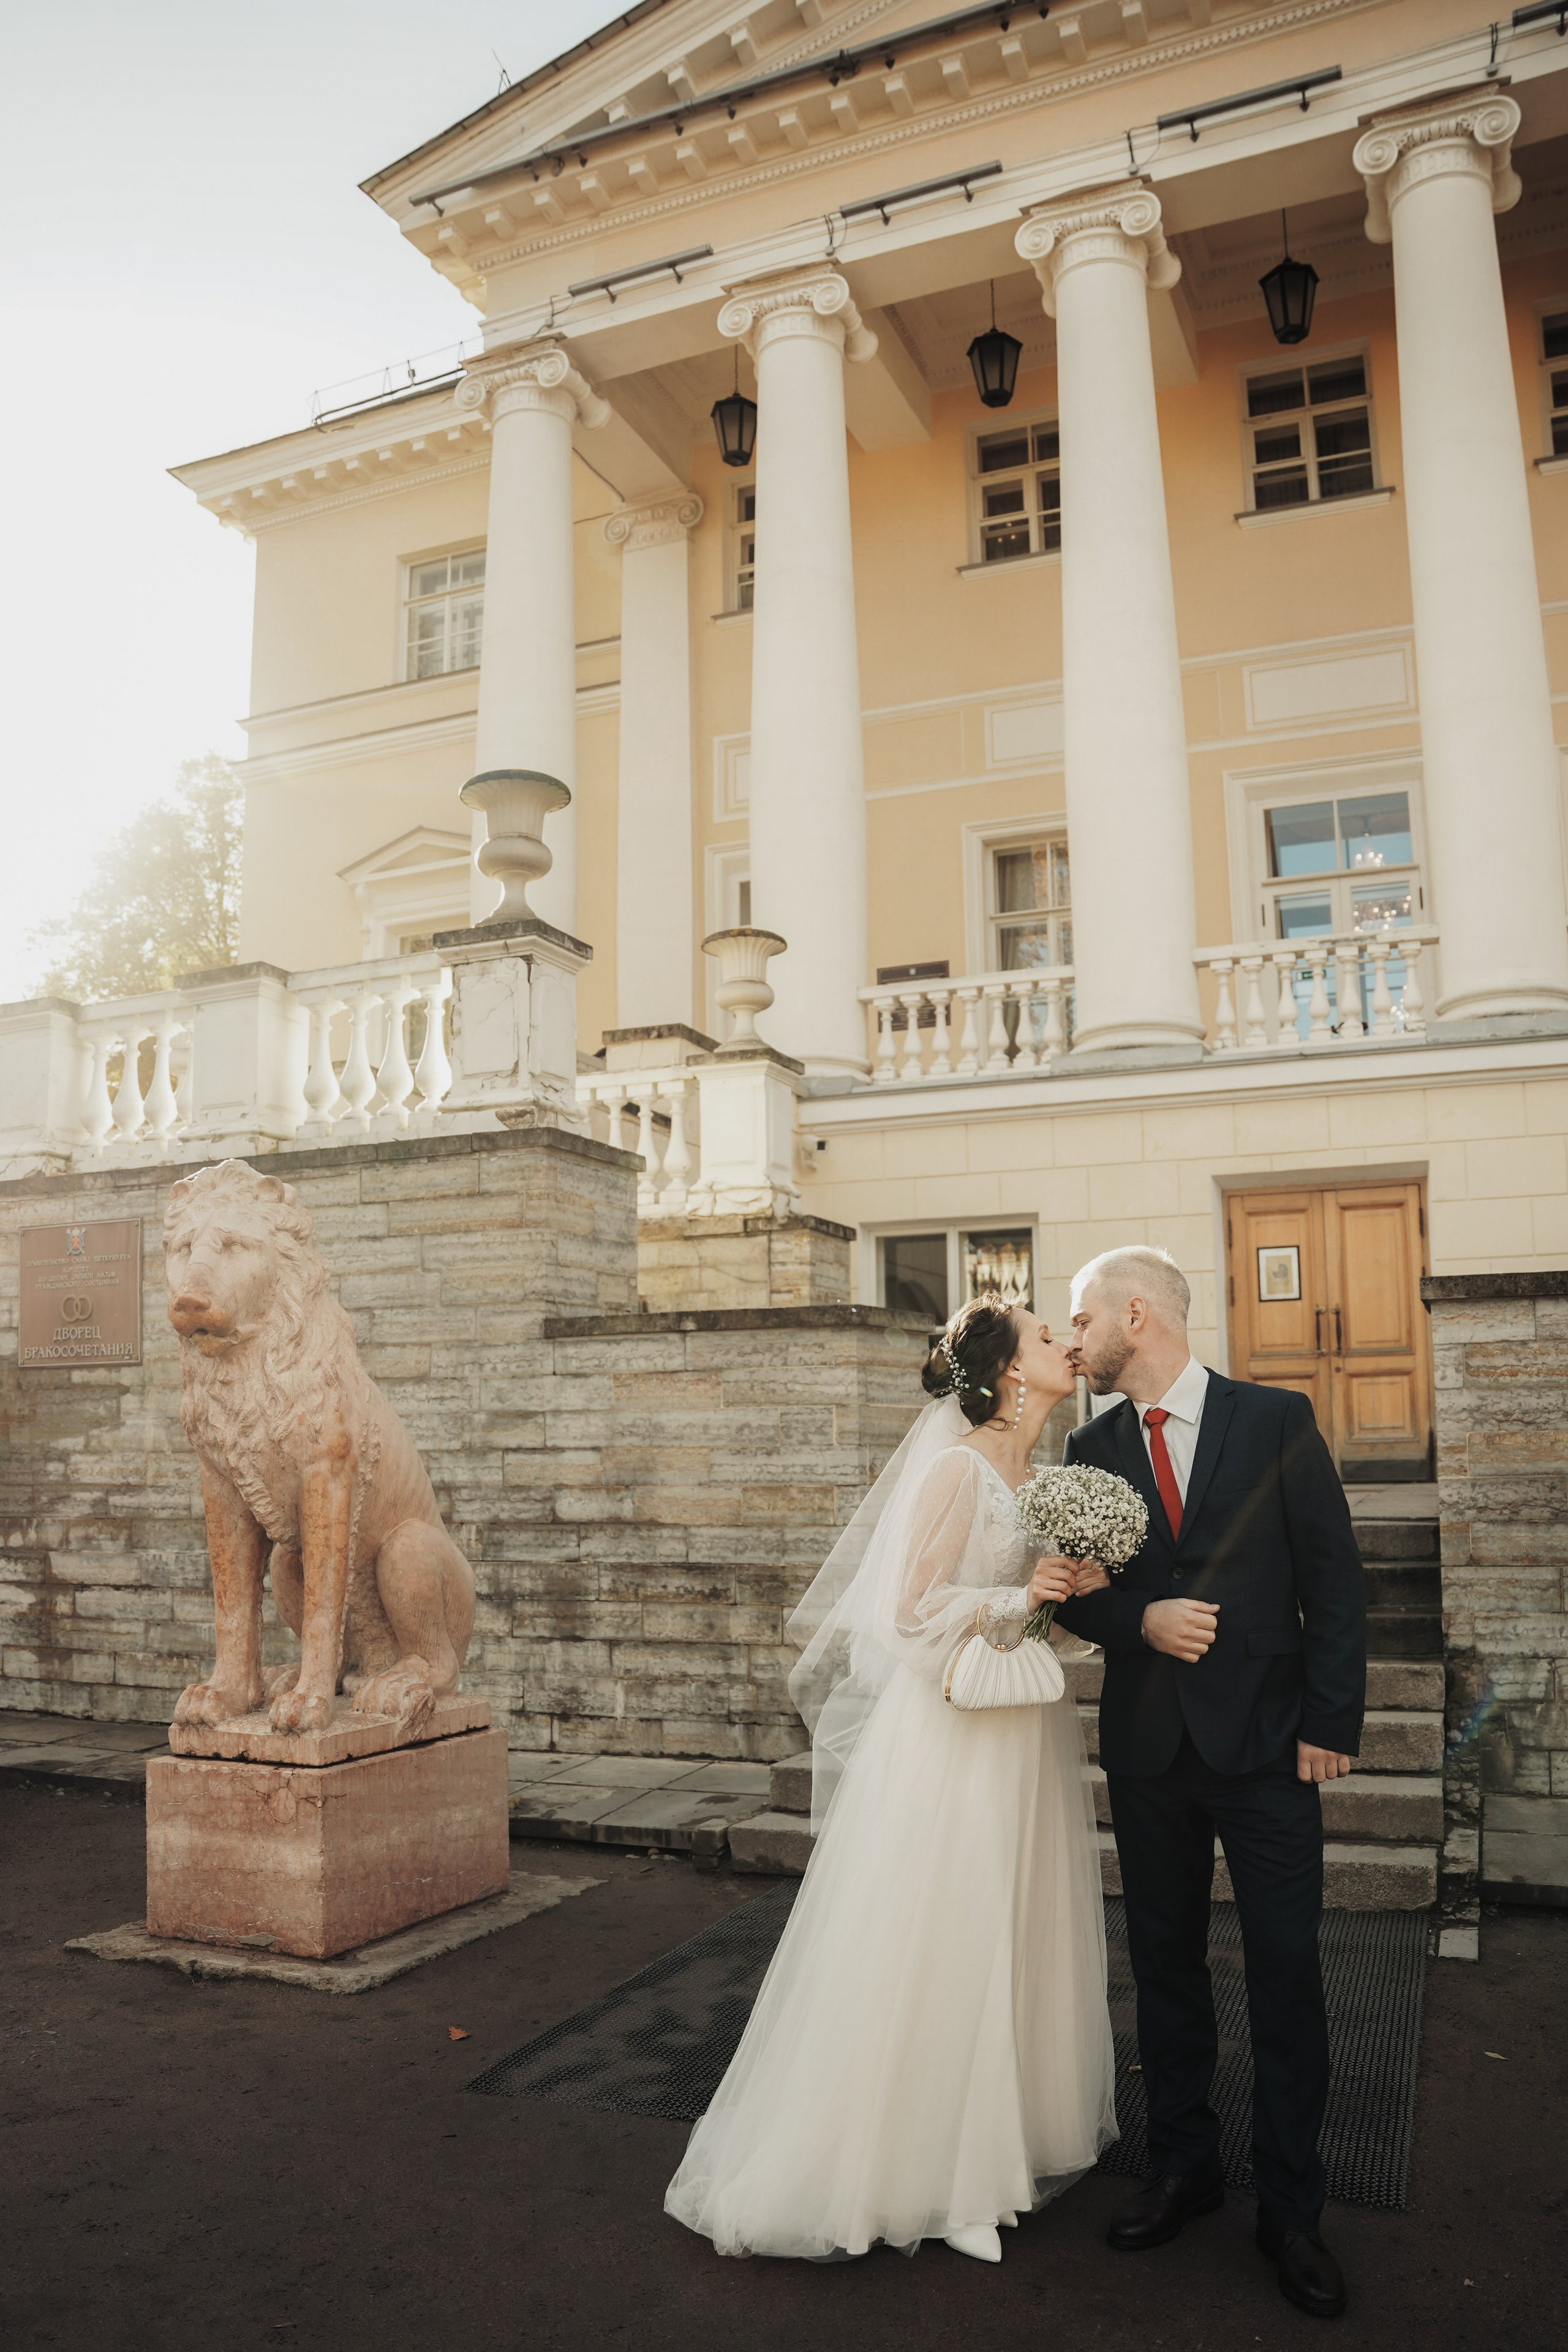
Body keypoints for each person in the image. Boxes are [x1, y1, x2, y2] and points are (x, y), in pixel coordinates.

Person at [665, 1295, 1118, 2262]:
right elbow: (906, 1613)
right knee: (947, 1930)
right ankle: (932, 2182)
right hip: (951, 1735)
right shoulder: (957, 1469)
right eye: (1046, 1336)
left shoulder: (1044, 1479)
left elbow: (1037, 1627)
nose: (1066, 1344)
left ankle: (992, 2154)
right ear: (1010, 1370)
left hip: (1023, 1728)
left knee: (1013, 1925)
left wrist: (1070, 1596)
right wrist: (1017, 1594)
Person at [1054, 1246, 1365, 2323]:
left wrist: (1330, 1721)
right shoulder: (1089, 1448)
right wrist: (1135, 1617)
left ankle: (1292, 2210)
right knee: (1164, 1967)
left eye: (1083, 1318)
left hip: (1271, 1749)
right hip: (1149, 1753)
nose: (1075, 1338)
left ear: (1136, 1314)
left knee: (1285, 1972)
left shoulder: (1274, 1419)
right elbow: (1072, 1596)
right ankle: (1184, 2168)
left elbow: (1333, 1575)